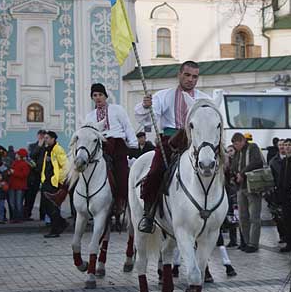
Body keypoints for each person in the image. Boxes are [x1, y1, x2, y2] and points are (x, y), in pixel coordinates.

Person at [133, 60, 210, 233]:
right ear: (179, 74)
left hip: (195, 143)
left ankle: (221, 213)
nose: (191, 79)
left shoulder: (204, 99)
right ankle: (149, 213)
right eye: (187, 75)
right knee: (154, 172)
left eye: (195, 76)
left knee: (217, 170)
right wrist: (146, 105)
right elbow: (146, 116)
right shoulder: (163, 96)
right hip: (170, 142)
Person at [47, 84, 137, 213]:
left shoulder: (117, 109)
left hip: (117, 142)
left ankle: (120, 200)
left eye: (100, 95)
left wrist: (133, 145)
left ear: (105, 96)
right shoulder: (90, 116)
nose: (98, 98)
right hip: (98, 143)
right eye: (95, 95)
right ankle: (61, 193)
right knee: (75, 162)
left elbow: (127, 126)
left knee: (120, 169)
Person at [230, 132, 265, 253]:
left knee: (254, 216)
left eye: (237, 143)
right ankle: (245, 241)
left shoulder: (253, 147)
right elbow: (234, 166)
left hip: (253, 187)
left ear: (243, 141)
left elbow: (257, 162)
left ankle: (253, 243)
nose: (235, 146)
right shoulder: (237, 152)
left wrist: (242, 173)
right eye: (234, 144)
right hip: (241, 188)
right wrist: (234, 174)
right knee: (243, 217)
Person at [269, 139, 291, 252]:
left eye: (289, 145)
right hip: (284, 195)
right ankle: (289, 243)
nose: (286, 147)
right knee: (286, 220)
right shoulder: (284, 160)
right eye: (285, 145)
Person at [40, 131, 68, 238]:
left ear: (53, 139)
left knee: (52, 207)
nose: (45, 139)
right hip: (46, 181)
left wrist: (59, 180)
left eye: (47, 138)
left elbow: (65, 165)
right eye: (45, 138)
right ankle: (62, 223)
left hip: (53, 183)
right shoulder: (47, 150)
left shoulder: (58, 149)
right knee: (46, 207)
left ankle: (55, 230)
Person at [25, 131, 47, 220]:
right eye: (40, 135)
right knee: (30, 195)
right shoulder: (32, 146)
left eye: (44, 136)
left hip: (45, 173)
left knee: (45, 196)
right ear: (37, 136)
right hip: (34, 174)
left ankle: (43, 215)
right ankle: (27, 214)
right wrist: (39, 146)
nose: (42, 137)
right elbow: (32, 155)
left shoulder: (48, 147)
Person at [8, 149, 31, 222]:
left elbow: (25, 175)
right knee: (12, 202)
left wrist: (14, 172)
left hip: (20, 186)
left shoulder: (24, 164)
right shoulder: (14, 162)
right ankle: (14, 217)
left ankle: (19, 217)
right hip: (12, 185)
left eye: (17, 154)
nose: (15, 154)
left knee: (18, 203)